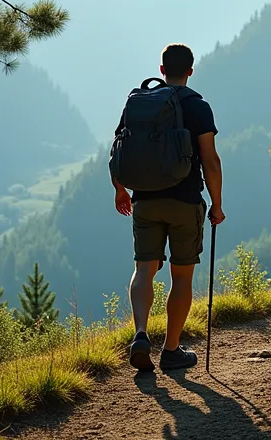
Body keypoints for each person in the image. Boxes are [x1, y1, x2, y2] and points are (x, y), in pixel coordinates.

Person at [110, 43, 225, 372]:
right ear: (190, 70)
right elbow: (210, 161)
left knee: (144, 269)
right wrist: (217, 205)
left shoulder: (140, 103)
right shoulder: (198, 106)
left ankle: (141, 334)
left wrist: (120, 189)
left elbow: (119, 149)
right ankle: (171, 350)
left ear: (161, 70)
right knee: (181, 277)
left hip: (144, 198)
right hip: (185, 200)